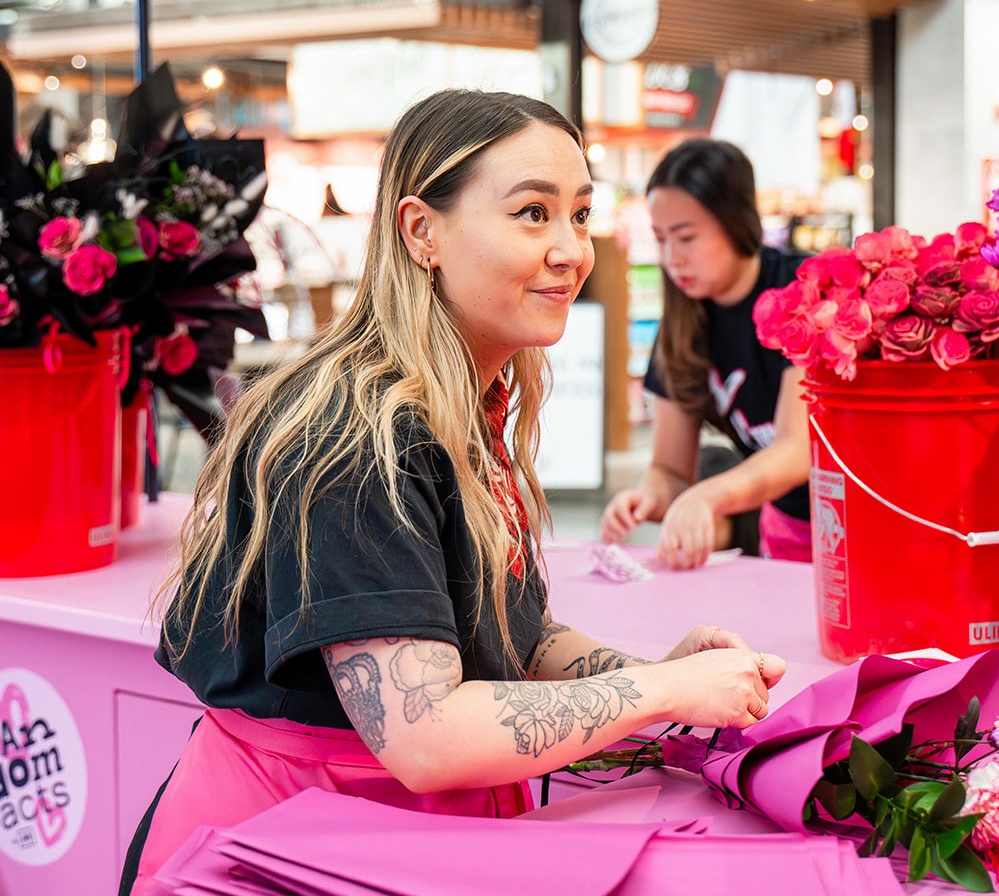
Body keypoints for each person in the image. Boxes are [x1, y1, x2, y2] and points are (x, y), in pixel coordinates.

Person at [121, 91, 786, 894]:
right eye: (532, 213)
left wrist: (658, 679)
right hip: (284, 848)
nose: (571, 249)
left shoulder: (463, 401)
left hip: (387, 838)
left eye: (579, 215)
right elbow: (424, 733)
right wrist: (658, 690)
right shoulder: (354, 433)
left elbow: (518, 636)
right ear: (420, 231)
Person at [600, 139, 811, 568]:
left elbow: (798, 451)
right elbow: (671, 468)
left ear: (735, 223)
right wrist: (648, 496)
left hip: (857, 522)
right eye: (661, 240)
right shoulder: (681, 324)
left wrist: (709, 494)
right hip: (785, 531)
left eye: (687, 237)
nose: (672, 258)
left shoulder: (802, 289)